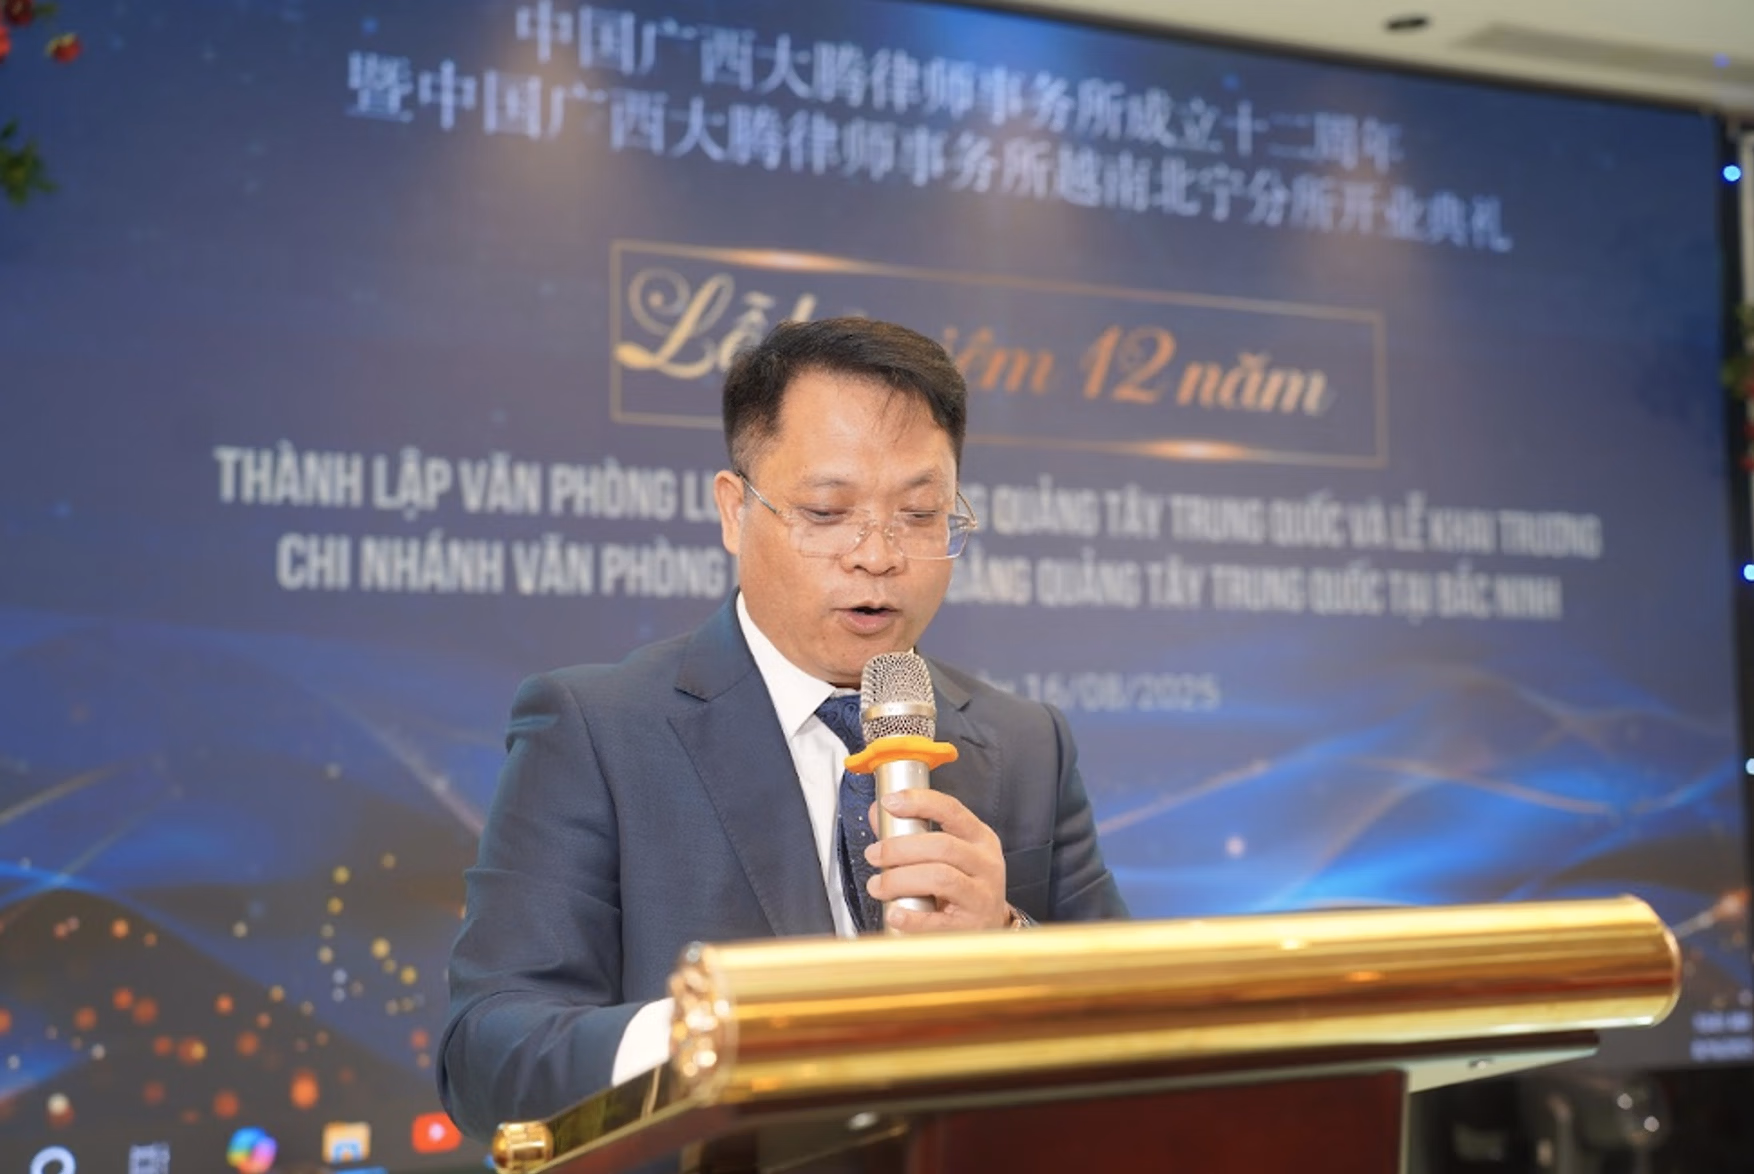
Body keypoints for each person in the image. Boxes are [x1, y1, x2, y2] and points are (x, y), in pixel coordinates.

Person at [438, 317, 1127, 1141]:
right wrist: (721, 1031)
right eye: (828, 511)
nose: (878, 555)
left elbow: (1143, 1028)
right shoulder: (597, 731)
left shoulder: (1027, 745)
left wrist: (1010, 947)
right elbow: (491, 1056)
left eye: (919, 514)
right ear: (735, 511)